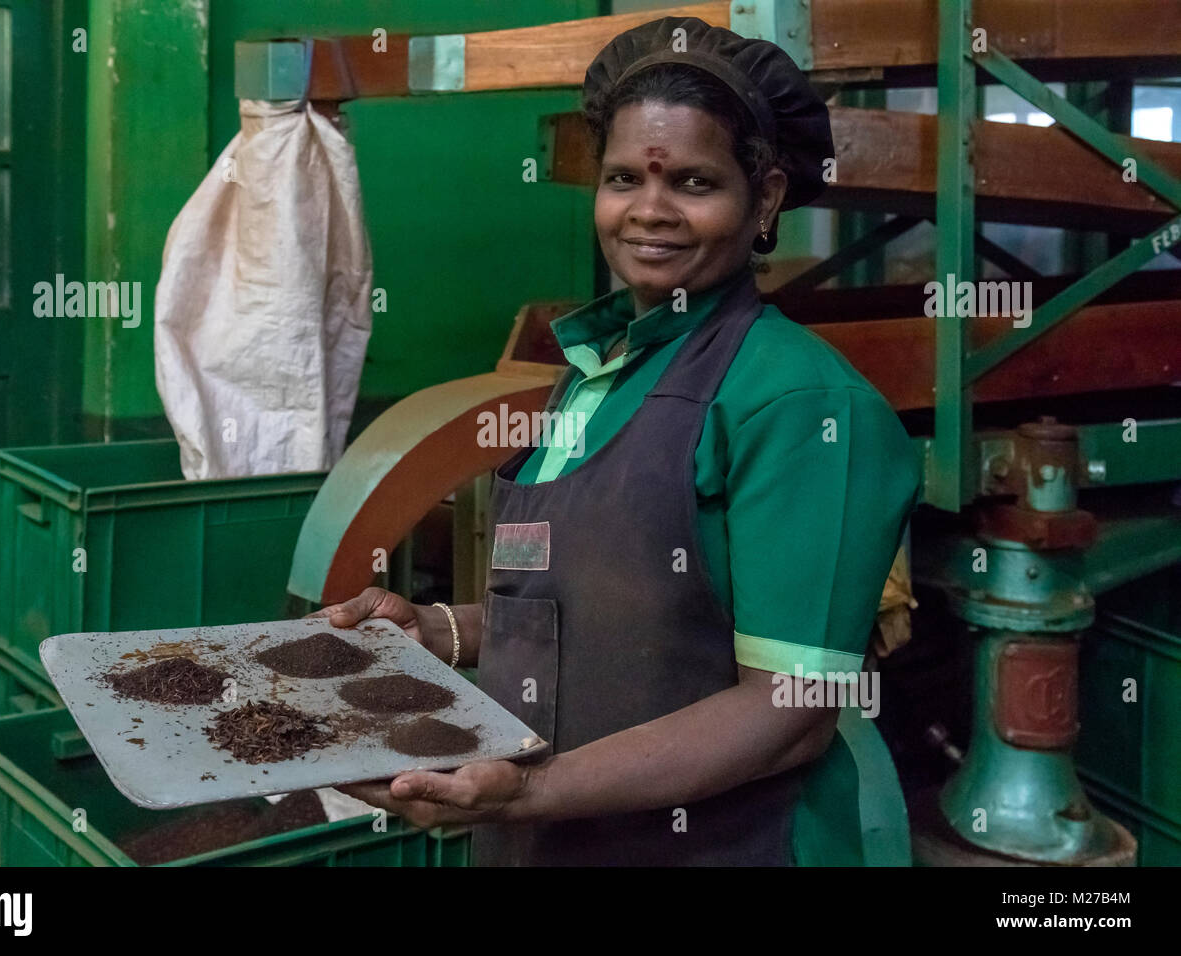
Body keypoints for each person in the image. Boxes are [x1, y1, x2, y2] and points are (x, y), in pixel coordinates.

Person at [319, 16, 921, 865]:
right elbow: (611, 607)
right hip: (546, 841)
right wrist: (440, 630)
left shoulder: (799, 403)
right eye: (624, 177)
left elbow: (788, 716)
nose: (650, 211)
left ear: (767, 201)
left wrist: (534, 787)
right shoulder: (598, 369)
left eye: (694, 182)